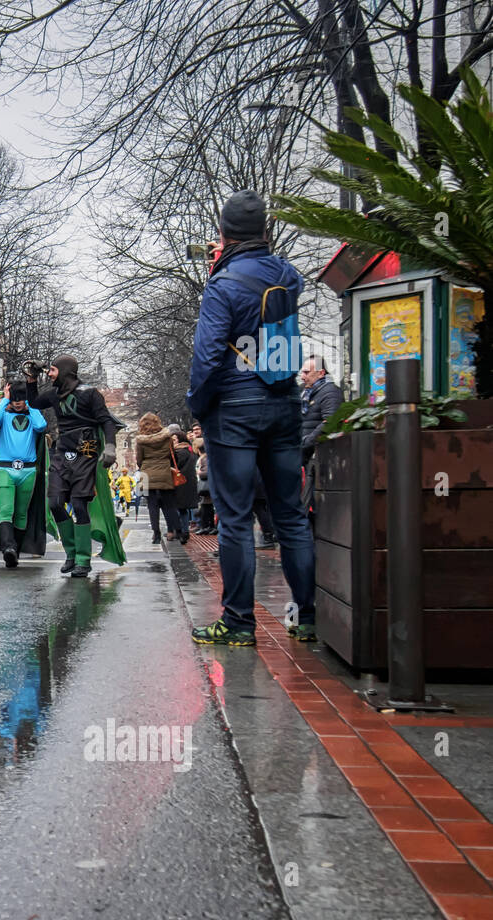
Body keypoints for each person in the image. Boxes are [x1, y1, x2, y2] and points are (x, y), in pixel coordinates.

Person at [187, 189, 315, 646]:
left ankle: (239, 623)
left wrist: (199, 406)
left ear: (223, 234)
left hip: (235, 410)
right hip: (284, 403)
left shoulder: (222, 285)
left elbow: (206, 357)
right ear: (266, 231)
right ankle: (307, 617)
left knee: (235, 517)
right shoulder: (289, 277)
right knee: (291, 515)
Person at [33, 356, 125, 577]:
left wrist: (110, 447)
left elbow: (106, 421)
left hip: (87, 449)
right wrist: (30, 378)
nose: (49, 374)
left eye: (53, 370)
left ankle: (83, 559)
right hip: (63, 450)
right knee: (54, 503)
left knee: (79, 503)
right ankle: (71, 553)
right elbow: (34, 403)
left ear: (65, 371)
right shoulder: (55, 395)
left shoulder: (89, 393)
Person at [0, 378, 48, 567]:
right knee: (6, 511)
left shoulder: (32, 416)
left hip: (28, 470)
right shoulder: (3, 416)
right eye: (15, 397)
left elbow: (41, 426)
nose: (18, 401)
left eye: (21, 398)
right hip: (5, 468)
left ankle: (15, 551)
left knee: (21, 513)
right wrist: (5, 399)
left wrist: (30, 402)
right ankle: (8, 548)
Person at [299, 357, 345, 526]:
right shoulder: (304, 392)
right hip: (303, 456)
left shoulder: (331, 392)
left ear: (321, 373)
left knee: (308, 504)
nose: (302, 376)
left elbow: (330, 422)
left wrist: (306, 442)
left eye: (306, 372)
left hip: (316, 457)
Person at [135, 413, 187, 546]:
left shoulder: (141, 441)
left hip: (147, 473)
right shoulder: (167, 438)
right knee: (169, 505)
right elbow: (172, 455)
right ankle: (180, 532)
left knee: (152, 506)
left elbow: (139, 459)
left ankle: (156, 535)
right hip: (164, 472)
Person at [171, 429, 198, 531]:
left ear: (179, 440)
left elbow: (176, 466)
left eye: (174, 440)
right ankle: (184, 531)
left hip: (180, 483)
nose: (172, 442)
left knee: (179, 508)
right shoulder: (189, 450)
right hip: (187, 482)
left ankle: (181, 531)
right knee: (183, 509)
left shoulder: (180, 452)